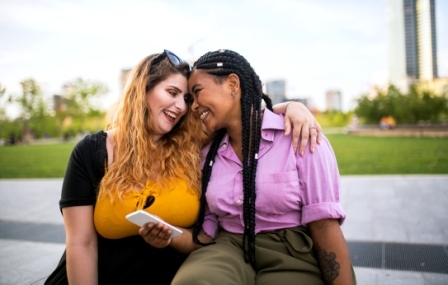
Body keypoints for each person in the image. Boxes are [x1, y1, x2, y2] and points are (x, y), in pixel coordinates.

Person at [44, 49, 322, 285]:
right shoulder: (92, 152)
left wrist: (291, 107)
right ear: (143, 90)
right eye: (172, 92)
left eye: (187, 98)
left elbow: (240, 114)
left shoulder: (194, 146)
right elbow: (81, 244)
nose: (180, 106)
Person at [169, 49, 356, 285]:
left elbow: (324, 226)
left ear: (232, 84)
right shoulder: (208, 153)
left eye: (197, 93)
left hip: (290, 250)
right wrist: (170, 235)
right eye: (191, 99)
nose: (193, 106)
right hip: (229, 246)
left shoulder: (299, 136)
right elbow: (208, 230)